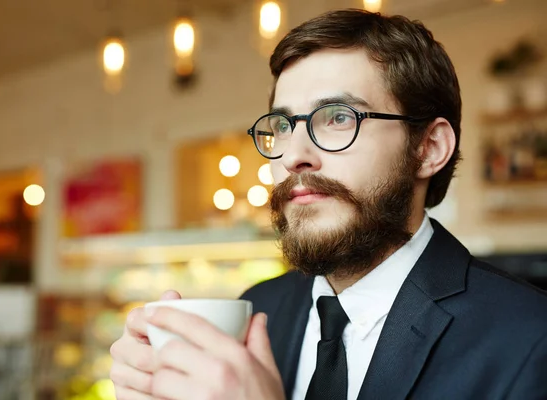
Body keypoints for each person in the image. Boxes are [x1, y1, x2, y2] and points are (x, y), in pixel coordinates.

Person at [109, 9, 547, 400]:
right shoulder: (258, 307)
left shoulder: (529, 338)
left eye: (338, 117)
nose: (293, 154)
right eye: (282, 125)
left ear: (429, 148)